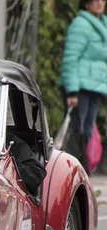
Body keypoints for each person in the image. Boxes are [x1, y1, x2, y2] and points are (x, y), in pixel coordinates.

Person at [58, 0, 107, 174]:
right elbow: (70, 59)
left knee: (86, 133)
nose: (100, 3)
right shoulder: (80, 25)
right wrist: (72, 91)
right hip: (79, 89)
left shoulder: (101, 24)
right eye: (95, 0)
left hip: (94, 87)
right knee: (77, 133)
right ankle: (71, 173)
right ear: (86, 4)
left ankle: (82, 175)